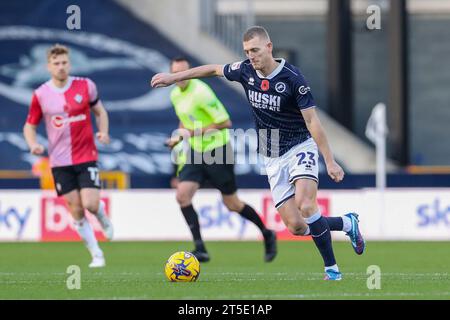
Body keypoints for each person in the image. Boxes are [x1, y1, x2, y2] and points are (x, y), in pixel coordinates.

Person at [152, 27, 365, 280]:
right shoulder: (245, 71)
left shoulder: (293, 79)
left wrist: (330, 160)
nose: (251, 56)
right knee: (296, 226)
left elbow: (312, 122)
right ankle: (347, 223)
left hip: (298, 146)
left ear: (269, 47)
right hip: (271, 151)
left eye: (255, 50)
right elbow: (211, 69)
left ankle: (332, 269)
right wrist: (174, 78)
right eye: (246, 52)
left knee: (306, 204)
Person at [164, 57, 277, 263]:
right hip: (196, 152)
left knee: (232, 204)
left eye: (182, 73)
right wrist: (178, 137)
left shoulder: (201, 92)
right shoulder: (174, 94)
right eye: (175, 74)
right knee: (182, 195)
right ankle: (200, 248)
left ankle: (266, 232)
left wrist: (192, 132)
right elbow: (185, 119)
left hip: (218, 151)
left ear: (188, 72)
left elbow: (225, 122)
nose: (179, 78)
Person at [23, 44, 113, 268]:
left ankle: (100, 213)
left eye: (64, 63)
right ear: (48, 66)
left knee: (90, 204)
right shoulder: (41, 94)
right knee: (76, 209)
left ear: (69, 63)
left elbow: (100, 111)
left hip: (86, 155)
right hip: (60, 161)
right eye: (56, 63)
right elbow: (29, 126)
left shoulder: (85, 85)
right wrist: (33, 144)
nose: (61, 67)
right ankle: (96, 254)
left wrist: (103, 131)